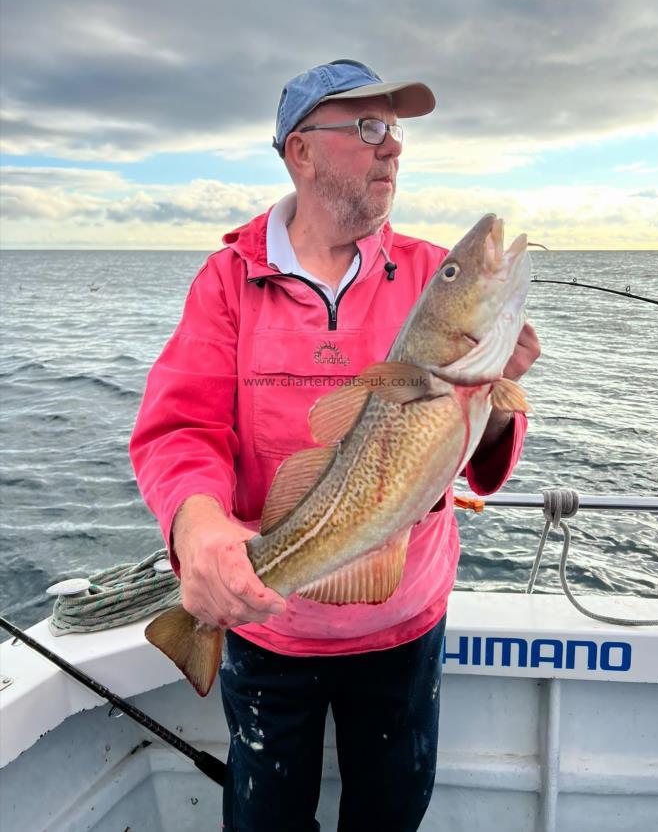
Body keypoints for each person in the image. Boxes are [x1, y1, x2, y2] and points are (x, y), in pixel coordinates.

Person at [130, 59, 540, 832]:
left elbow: (476, 460)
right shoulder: (228, 278)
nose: (391, 148)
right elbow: (180, 426)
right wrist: (197, 523)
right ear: (300, 151)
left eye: (395, 131)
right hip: (266, 619)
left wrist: (488, 397)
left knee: (388, 815)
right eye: (367, 126)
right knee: (265, 819)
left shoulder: (425, 272)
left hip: (405, 622)